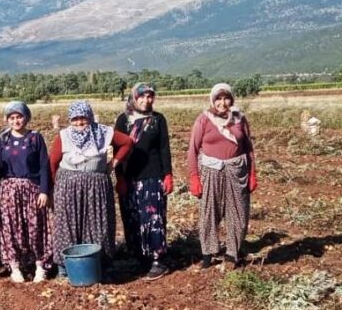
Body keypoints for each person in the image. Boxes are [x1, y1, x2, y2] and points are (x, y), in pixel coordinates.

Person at [49, 101, 133, 270]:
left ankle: (100, 265)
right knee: (67, 223)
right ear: (70, 119)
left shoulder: (103, 132)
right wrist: (53, 188)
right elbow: (52, 163)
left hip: (96, 186)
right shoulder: (64, 136)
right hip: (68, 186)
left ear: (90, 117)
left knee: (98, 223)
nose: (79, 123)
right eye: (75, 119)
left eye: (83, 118)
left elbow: (127, 143)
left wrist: (113, 164)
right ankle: (65, 267)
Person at [187, 83, 258, 268]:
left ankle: (233, 253)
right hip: (211, 171)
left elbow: (248, 147)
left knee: (238, 212)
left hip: (236, 170)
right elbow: (192, 150)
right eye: (218, 98)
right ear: (212, 100)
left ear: (232, 99)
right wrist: (194, 177)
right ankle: (208, 253)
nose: (222, 103)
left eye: (226, 98)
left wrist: (252, 173)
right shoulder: (204, 119)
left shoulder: (239, 118)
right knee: (210, 212)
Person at [114, 83, 174, 280]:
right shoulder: (123, 120)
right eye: (142, 96)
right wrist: (119, 177)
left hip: (152, 177)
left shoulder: (158, 120)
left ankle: (157, 260)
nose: (146, 100)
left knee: (153, 218)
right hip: (130, 178)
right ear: (134, 97)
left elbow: (164, 148)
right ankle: (140, 258)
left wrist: (167, 175)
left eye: (150, 97)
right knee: (133, 218)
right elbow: (117, 151)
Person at [0, 101, 51, 283]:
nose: (16, 121)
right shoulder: (3, 140)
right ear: (7, 120)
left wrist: (44, 191)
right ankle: (14, 267)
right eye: (12, 117)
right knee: (11, 229)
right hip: (8, 192)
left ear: (26, 117)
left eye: (19, 116)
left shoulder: (35, 138)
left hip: (32, 190)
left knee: (35, 227)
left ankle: (40, 265)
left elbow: (44, 166)